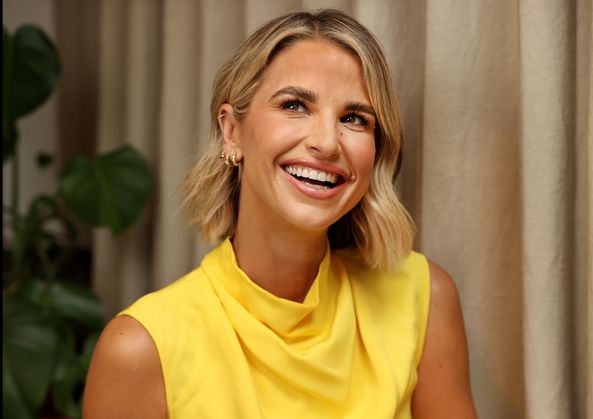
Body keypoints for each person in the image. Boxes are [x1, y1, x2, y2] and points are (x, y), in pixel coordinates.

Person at [83, 9, 477, 419]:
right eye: (295, 105)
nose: (327, 142)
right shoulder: (141, 349)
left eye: (353, 118)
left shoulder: (423, 297)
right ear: (231, 132)